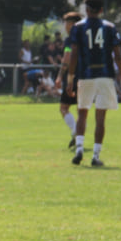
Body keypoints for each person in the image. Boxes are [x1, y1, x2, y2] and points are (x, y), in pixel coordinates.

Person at [65, 0, 121, 167]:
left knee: (82, 113)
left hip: (85, 75)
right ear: (101, 10)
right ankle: (95, 155)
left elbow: (74, 55)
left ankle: (79, 149)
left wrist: (70, 79)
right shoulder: (109, 27)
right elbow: (118, 56)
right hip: (105, 76)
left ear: (86, 10)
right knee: (100, 118)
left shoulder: (77, 27)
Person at [52, 12, 82, 149]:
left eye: (66, 23)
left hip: (73, 76)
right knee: (82, 110)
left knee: (64, 108)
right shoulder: (86, 37)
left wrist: (59, 75)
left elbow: (67, 57)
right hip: (87, 76)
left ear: (72, 24)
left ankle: (75, 131)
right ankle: (79, 138)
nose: (65, 26)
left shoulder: (71, 39)